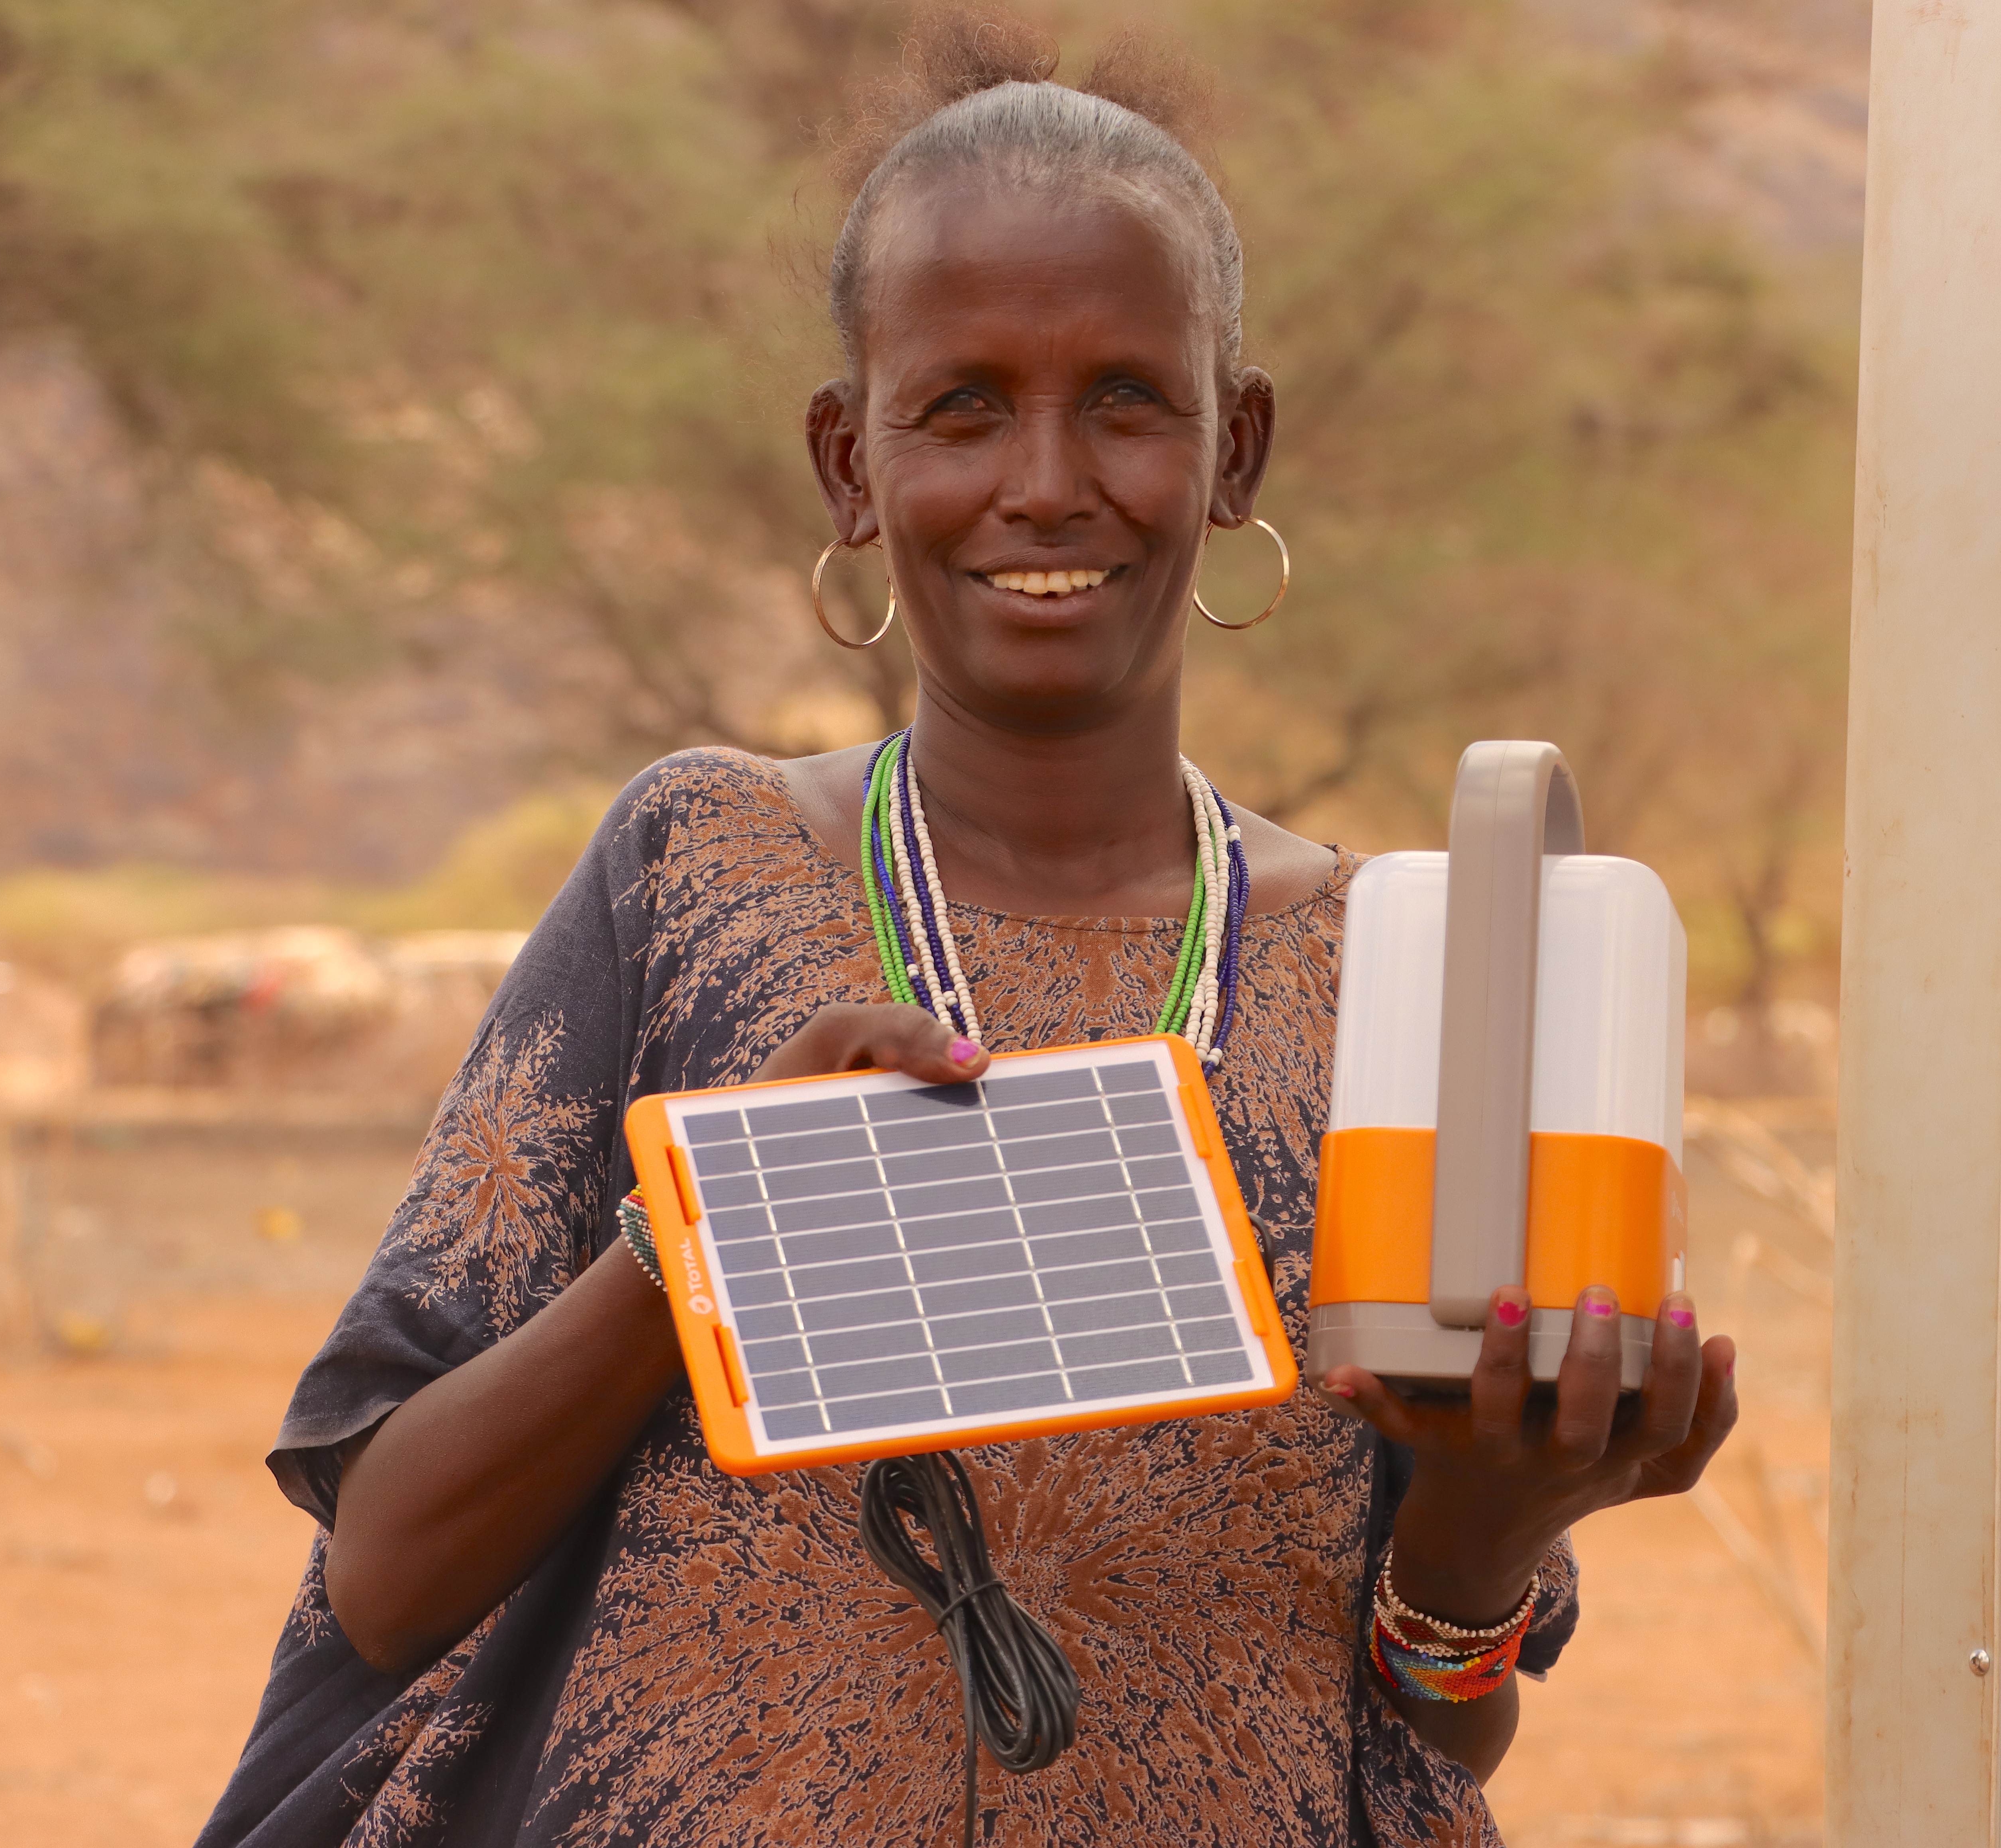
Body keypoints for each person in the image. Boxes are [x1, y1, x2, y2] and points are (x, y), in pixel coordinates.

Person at [196, 23, 1737, 1848]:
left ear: (1235, 448)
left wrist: (1491, 1528)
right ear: (851, 465)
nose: (1045, 481)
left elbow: (1428, 1727)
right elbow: (384, 1575)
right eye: (963, 407)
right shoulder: (695, 874)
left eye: (1127, 401)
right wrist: (702, 1236)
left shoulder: (1384, 977)